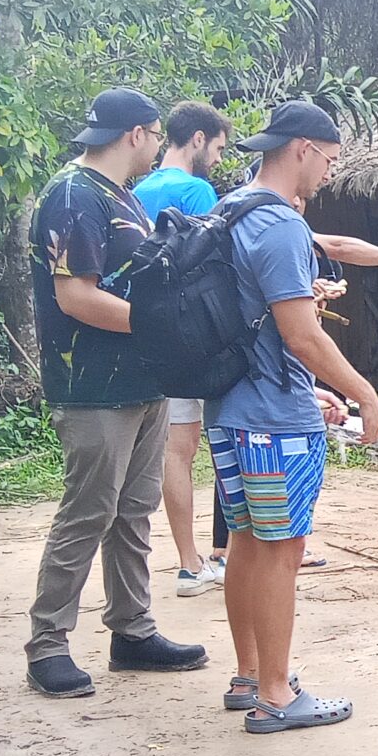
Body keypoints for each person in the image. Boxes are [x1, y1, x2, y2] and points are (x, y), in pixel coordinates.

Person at [23, 87, 209, 698]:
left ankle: (132, 630)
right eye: (156, 135)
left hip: (139, 379)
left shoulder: (118, 195)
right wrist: (161, 327)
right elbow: (75, 295)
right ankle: (47, 643)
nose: (159, 146)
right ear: (137, 134)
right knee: (90, 510)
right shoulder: (74, 195)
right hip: (92, 385)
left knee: (133, 511)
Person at [206, 100, 378, 732]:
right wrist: (363, 392)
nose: (329, 175)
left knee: (248, 541)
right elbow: (301, 335)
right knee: (283, 548)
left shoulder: (227, 209)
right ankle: (277, 696)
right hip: (272, 419)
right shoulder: (279, 224)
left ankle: (249, 676)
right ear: (304, 149)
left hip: (229, 407)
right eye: (330, 161)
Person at [131, 101, 233, 598]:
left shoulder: (136, 191)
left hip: (148, 333)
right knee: (202, 448)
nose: (216, 159)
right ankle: (210, 558)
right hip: (193, 334)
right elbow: (211, 261)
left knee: (174, 450)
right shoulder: (196, 191)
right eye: (216, 148)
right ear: (197, 139)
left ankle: (190, 560)